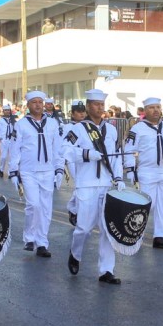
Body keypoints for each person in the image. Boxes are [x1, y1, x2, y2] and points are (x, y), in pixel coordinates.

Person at [63, 89, 125, 284]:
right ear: (88, 106)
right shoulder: (78, 129)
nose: (100, 108)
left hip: (106, 184)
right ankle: (75, 254)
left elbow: (116, 157)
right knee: (84, 228)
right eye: (96, 104)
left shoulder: (111, 129)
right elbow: (65, 151)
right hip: (86, 184)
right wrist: (87, 155)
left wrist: (119, 178)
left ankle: (106, 270)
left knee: (108, 228)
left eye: (102, 105)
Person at [8, 90, 64, 257]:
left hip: (47, 170)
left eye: (40, 101)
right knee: (34, 204)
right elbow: (15, 149)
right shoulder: (21, 125)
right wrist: (13, 170)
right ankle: (29, 238)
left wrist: (59, 168)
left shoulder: (53, 124)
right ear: (28, 105)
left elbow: (57, 148)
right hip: (28, 171)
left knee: (46, 208)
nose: (38, 105)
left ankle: (42, 243)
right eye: (34, 102)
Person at [124, 97, 163, 249]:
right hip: (147, 171)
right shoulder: (137, 129)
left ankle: (160, 236)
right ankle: (137, 234)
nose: (155, 110)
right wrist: (130, 169)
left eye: (157, 107)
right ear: (145, 111)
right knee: (147, 204)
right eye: (151, 107)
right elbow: (129, 150)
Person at [65, 99, 86, 226]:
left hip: (86, 159)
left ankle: (74, 209)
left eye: (83, 111)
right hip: (73, 160)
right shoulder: (68, 127)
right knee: (79, 184)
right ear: (72, 114)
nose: (81, 114)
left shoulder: (87, 126)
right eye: (78, 112)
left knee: (82, 186)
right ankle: (75, 211)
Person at [0, 104, 16, 178]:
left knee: (11, 157)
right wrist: (0, 138)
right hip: (4, 140)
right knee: (3, 157)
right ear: (3, 111)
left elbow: (16, 129)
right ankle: (1, 169)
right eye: (6, 110)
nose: (7, 112)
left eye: (8, 110)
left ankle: (10, 172)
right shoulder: (0, 120)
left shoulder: (13, 120)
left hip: (11, 140)